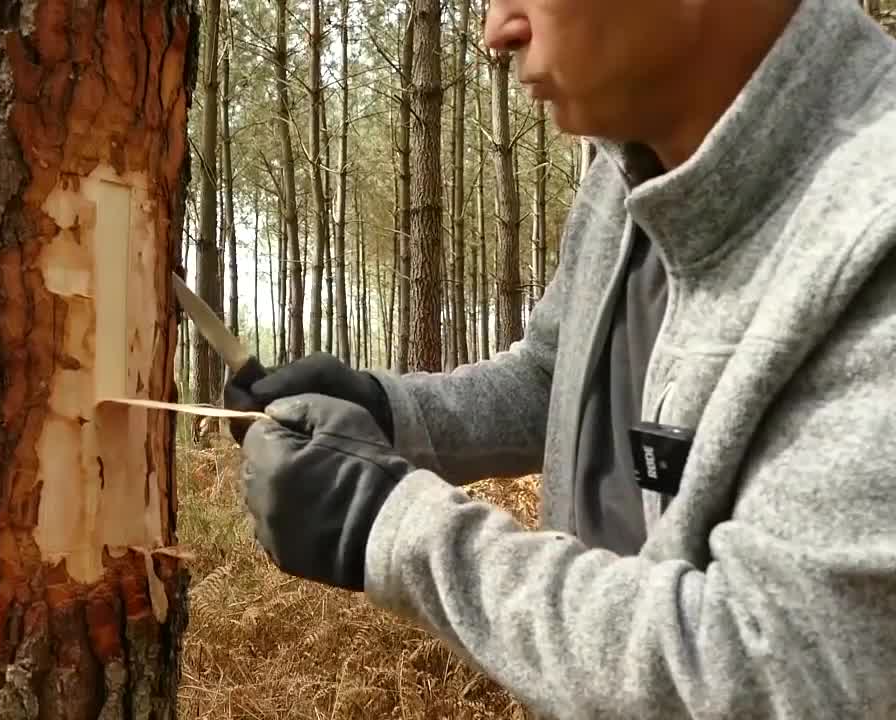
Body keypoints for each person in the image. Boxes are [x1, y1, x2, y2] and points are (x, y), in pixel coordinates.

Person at [223, 0, 896, 717]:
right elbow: (558, 376)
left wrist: (390, 527)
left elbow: (770, 670)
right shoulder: (626, 163)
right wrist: (392, 410)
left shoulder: (872, 225)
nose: (495, 32)